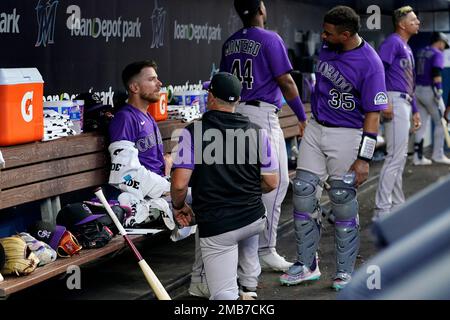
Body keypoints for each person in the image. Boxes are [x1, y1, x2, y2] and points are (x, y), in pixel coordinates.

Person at [279, 6, 388, 291]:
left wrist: (364, 159)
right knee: (302, 191)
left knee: (341, 199)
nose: (322, 36)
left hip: (348, 134)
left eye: (328, 33)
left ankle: (344, 271)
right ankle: (306, 264)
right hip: (317, 127)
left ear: (347, 34)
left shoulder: (370, 63)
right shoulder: (328, 48)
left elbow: (373, 116)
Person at [170, 72, 279, 300]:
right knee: (241, 227)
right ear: (237, 101)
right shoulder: (258, 131)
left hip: (220, 227)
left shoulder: (192, 131)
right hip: (254, 218)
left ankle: (231, 291)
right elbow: (271, 182)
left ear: (210, 97)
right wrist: (243, 190)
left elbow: (180, 184)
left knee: (224, 296)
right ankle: (248, 284)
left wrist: (179, 206)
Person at [219, 0, 307, 273]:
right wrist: (302, 116)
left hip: (234, 114)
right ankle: (264, 251)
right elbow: (286, 81)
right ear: (260, 9)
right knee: (275, 183)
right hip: (261, 116)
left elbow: (223, 83)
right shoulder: (270, 38)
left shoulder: (230, 42)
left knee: (242, 185)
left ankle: (241, 254)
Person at [374, 6, 421, 219]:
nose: (417, 22)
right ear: (402, 23)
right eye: (413, 19)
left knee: (399, 157)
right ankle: (382, 210)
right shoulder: (393, 42)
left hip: (405, 101)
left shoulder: (406, 46)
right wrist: (384, 101)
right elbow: (378, 70)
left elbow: (410, 82)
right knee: (394, 157)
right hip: (393, 98)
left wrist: (416, 110)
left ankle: (397, 205)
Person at [413, 32, 450, 165]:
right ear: (439, 41)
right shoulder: (437, 53)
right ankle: (438, 154)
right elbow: (436, 72)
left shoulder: (420, 51)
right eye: (443, 44)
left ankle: (417, 157)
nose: (443, 47)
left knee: (421, 124)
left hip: (416, 90)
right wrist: (439, 89)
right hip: (430, 90)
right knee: (441, 122)